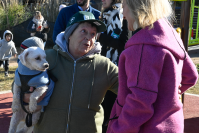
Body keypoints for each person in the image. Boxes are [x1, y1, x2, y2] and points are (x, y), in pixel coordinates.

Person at [107, 0, 198, 133]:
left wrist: (117, 129)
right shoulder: (171, 35)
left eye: (124, 6)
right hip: (173, 124)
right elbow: (191, 76)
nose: (123, 14)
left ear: (135, 7)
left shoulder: (142, 47)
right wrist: (167, 95)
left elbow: (139, 104)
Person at [23, 11, 118, 133]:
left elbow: (131, 88)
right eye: (84, 31)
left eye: (93, 34)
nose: (89, 37)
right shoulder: (46, 58)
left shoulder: (104, 65)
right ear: (69, 34)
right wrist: (25, 96)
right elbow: (20, 81)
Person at [97, 0, 128, 132]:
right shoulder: (105, 15)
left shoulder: (121, 15)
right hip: (101, 68)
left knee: (109, 113)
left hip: (114, 71)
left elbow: (123, 44)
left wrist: (101, 37)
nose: (102, 0)